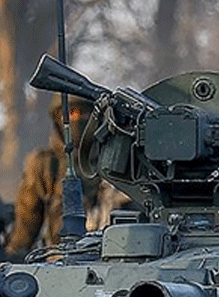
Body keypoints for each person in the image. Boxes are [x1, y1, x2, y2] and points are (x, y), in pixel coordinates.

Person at [7, 95, 132, 256]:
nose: (77, 119)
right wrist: (13, 258)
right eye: (70, 114)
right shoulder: (44, 165)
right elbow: (26, 226)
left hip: (116, 256)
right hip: (60, 258)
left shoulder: (117, 161)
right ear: (58, 120)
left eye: (84, 113)